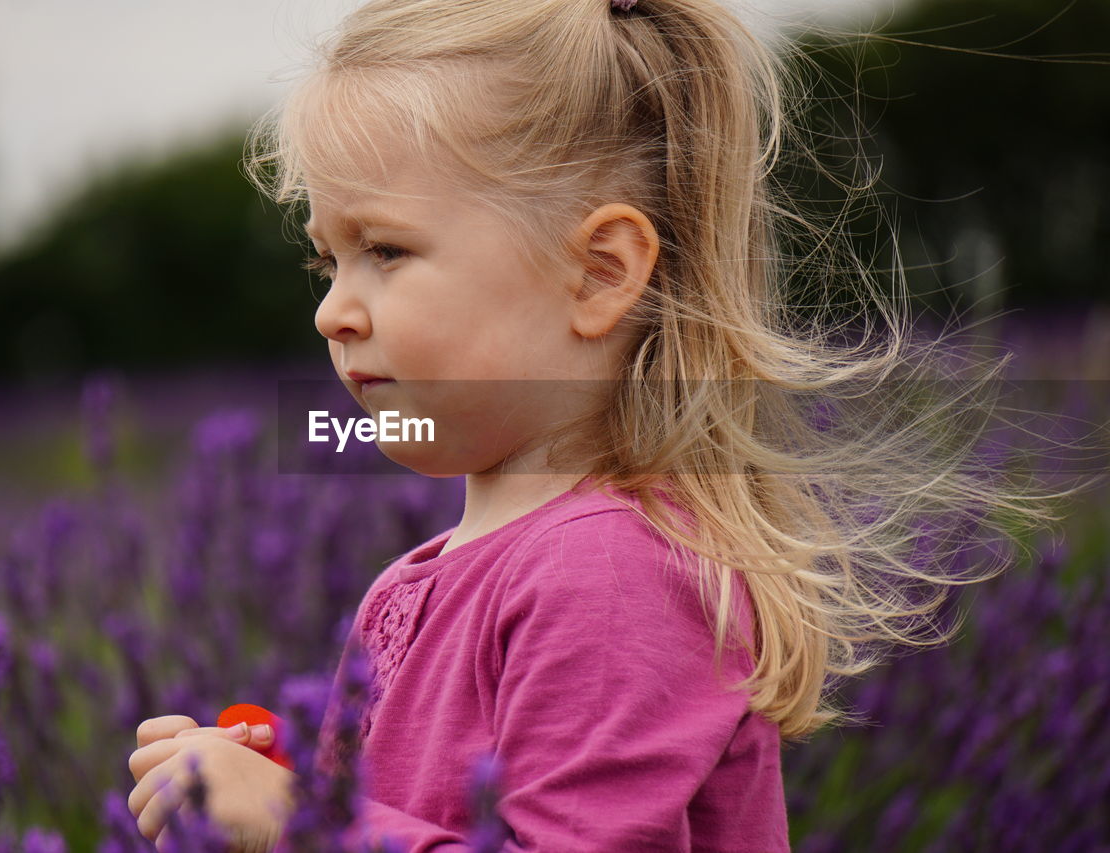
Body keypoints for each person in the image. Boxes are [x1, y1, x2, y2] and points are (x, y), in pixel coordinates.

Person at [125, 0, 1071, 849]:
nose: (334, 310)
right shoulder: (419, 580)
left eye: (385, 249)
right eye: (325, 261)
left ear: (601, 273)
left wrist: (297, 824)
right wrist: (282, 784)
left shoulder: (611, 573)